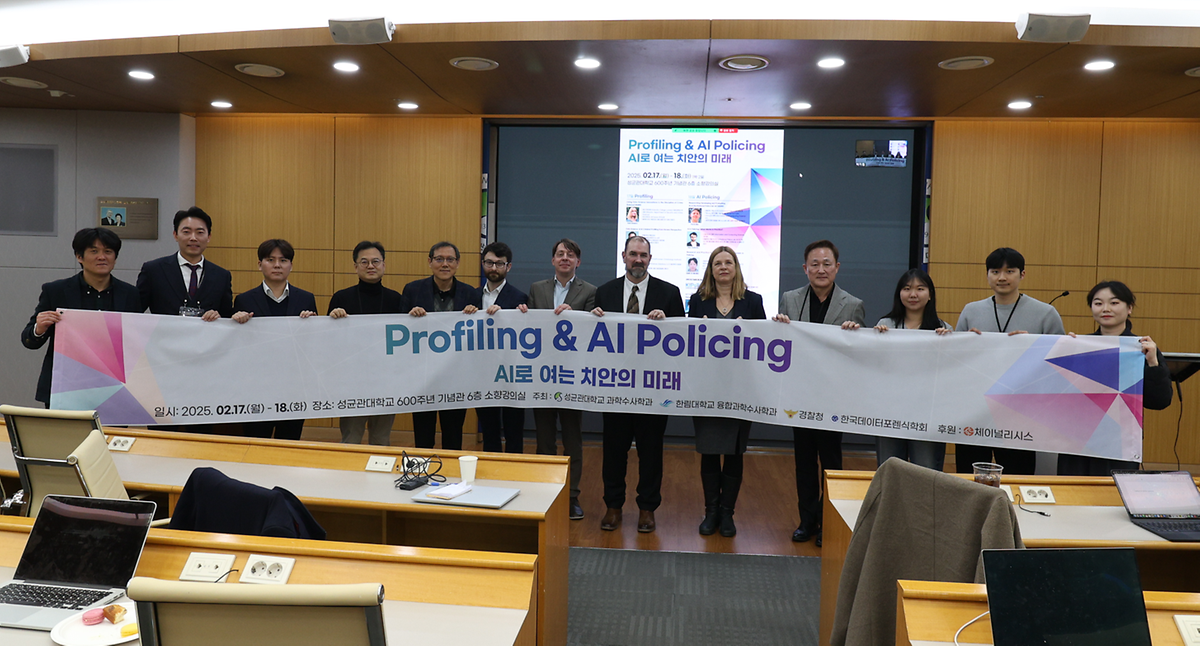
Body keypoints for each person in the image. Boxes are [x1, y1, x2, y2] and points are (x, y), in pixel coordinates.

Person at [773, 239, 865, 546]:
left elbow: (858, 354)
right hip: (800, 395)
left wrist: (855, 335)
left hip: (833, 397)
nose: (821, 269)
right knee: (803, 462)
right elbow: (781, 345)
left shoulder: (852, 304)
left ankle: (829, 522)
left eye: (827, 264)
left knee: (831, 460)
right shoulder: (790, 299)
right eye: (815, 264)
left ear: (837, 268)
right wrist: (778, 326)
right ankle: (807, 520)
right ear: (805, 268)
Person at [590, 235, 685, 533]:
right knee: (613, 451)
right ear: (624, 256)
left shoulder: (669, 293)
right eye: (633, 254)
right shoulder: (605, 292)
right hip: (615, 387)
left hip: (653, 388)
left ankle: (647, 509)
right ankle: (613, 506)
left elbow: (683, 340)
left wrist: (667, 323)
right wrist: (592, 319)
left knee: (651, 452)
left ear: (650, 259)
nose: (638, 260)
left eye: (643, 255)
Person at [954, 247, 1065, 475]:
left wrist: (1033, 346)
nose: (1002, 277)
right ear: (987, 275)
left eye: (1009, 271)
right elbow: (956, 361)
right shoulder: (971, 311)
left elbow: (1060, 363)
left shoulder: (1045, 313)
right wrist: (966, 344)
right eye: (995, 272)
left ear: (1022, 274)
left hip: (1021, 413)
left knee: (1018, 475)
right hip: (975, 410)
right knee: (969, 476)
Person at [687, 247, 765, 537]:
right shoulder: (698, 301)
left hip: (740, 389)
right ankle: (710, 512)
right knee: (709, 451)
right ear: (711, 269)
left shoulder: (753, 301)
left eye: (728, 262)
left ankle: (727, 513)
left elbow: (764, 342)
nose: (723, 267)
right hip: (706, 388)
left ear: (736, 267)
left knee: (734, 452)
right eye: (717, 263)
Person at [1057, 281, 1172, 475]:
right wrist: (1065, 352)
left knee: (1113, 491)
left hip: (1119, 444)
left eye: (1114, 303)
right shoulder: (1079, 346)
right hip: (1077, 442)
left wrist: (1152, 362)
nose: (1106, 309)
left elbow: (1159, 401)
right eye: (1098, 303)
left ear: (1129, 308)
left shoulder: (1143, 349)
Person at [844, 268, 951, 471]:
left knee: (926, 471)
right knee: (890, 469)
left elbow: (951, 373)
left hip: (927, 414)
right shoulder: (885, 325)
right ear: (899, 294)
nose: (913, 294)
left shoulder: (943, 329)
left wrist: (948, 344)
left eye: (920, 289)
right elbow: (872, 365)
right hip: (890, 411)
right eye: (907, 288)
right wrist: (872, 339)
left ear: (930, 295)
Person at [21, 228, 142, 407]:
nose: (102, 257)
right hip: (65, 387)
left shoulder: (130, 294)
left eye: (108, 251)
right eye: (94, 251)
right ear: (79, 257)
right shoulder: (56, 291)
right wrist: (39, 329)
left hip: (114, 388)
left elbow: (136, 341)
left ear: (115, 258)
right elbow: (29, 341)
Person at [528, 238, 597, 520]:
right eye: (560, 254)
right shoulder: (537, 289)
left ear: (578, 261)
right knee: (544, 439)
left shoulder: (590, 291)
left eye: (570, 254)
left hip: (572, 375)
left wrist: (576, 316)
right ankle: (546, 493)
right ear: (553, 260)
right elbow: (529, 326)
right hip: (542, 374)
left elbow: (592, 328)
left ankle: (571, 496)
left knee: (572, 440)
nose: (564, 258)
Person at [231, 239, 318, 440]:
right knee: (255, 442)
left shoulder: (306, 299)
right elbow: (236, 347)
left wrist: (311, 323)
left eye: (283, 260)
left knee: (289, 443)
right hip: (255, 388)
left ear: (291, 265)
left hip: (294, 387)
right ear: (260, 264)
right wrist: (235, 321)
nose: (277, 265)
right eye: (270, 260)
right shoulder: (244, 300)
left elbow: (312, 345)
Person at [329, 241, 409, 446]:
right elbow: (329, 340)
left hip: (386, 381)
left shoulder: (396, 299)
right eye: (364, 262)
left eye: (376, 261)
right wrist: (333, 318)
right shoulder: (341, 298)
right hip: (352, 382)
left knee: (381, 439)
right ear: (355, 266)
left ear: (384, 265)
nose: (370, 266)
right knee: (351, 438)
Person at [404, 241, 479, 450]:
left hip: (456, 377)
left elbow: (481, 337)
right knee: (423, 435)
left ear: (458, 263)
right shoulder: (412, 291)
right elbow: (399, 330)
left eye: (450, 259)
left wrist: (476, 314)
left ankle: (452, 471)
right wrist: (409, 318)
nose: (445, 264)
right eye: (439, 259)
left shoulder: (471, 294)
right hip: (423, 376)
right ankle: (422, 470)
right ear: (430, 262)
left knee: (453, 435)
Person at [473, 242, 529, 454]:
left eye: (499, 264)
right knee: (489, 430)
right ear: (483, 264)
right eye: (489, 263)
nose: (494, 268)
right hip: (481, 373)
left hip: (511, 373)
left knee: (514, 429)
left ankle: (514, 470)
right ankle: (491, 471)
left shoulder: (519, 298)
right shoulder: (471, 296)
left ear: (508, 267)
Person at [136, 207, 233, 321]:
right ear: (175, 235)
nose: (193, 238)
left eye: (200, 232)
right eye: (186, 232)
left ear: (209, 237)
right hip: (165, 332)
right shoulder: (153, 270)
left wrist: (218, 317)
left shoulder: (222, 276)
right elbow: (135, 311)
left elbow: (227, 317)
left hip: (206, 333)